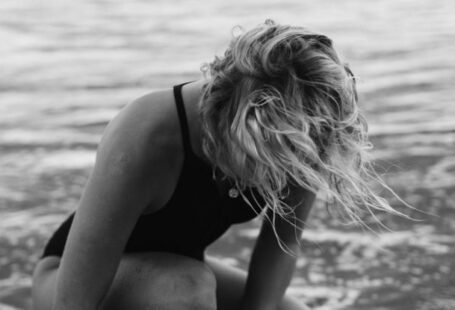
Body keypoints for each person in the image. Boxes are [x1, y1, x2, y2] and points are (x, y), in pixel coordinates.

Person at [32, 20, 398, 310]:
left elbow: (282, 244)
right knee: (186, 289)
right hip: (67, 281)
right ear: (241, 124)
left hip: (182, 273)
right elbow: (72, 302)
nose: (279, 174)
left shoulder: (303, 131)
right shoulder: (148, 132)